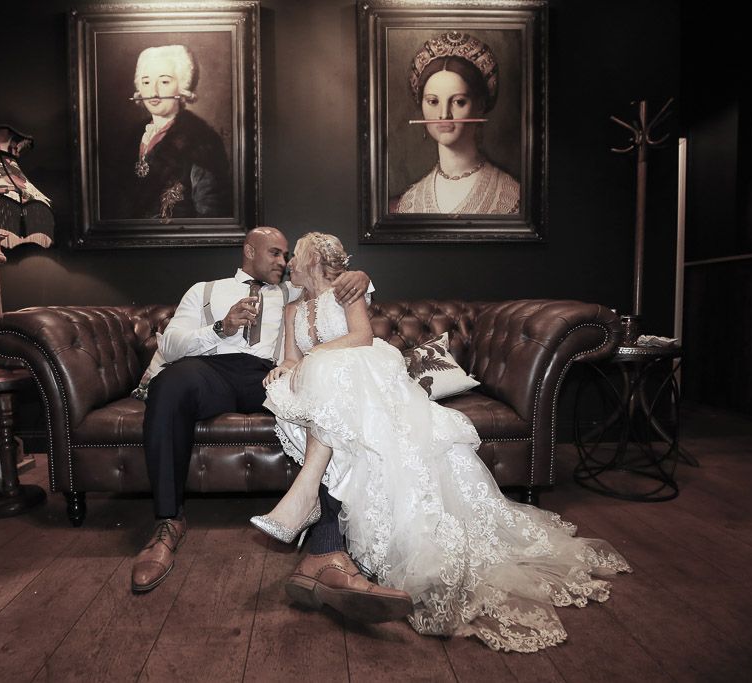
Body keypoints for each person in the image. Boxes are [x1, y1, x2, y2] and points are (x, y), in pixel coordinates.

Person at [251, 232, 631, 653]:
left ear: (314, 261)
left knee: (336, 373)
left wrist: (314, 357)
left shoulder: (347, 289)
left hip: (362, 378)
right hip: (323, 389)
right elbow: (289, 357)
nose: (288, 264)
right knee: (320, 383)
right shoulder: (290, 308)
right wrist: (286, 367)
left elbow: (360, 337)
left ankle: (310, 501)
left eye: (294, 257)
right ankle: (321, 536)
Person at [132, 226, 414, 623]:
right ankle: (167, 522)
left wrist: (361, 276)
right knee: (170, 384)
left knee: (326, 401)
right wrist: (222, 327)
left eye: (287, 256)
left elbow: (330, 290)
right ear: (250, 251)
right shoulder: (204, 290)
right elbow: (170, 345)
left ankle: (326, 550)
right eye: (276, 254)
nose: (283, 263)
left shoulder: (292, 293)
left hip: (271, 374)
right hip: (210, 368)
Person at [391, 31, 520, 215]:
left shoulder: (513, 196)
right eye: (433, 102)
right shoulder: (409, 202)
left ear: (480, 105)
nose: (444, 115)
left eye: (458, 102)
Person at [104, 44, 232, 221]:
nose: (153, 92)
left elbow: (211, 212)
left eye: (164, 82)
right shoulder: (133, 136)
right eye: (146, 82)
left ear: (182, 86)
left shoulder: (202, 140)